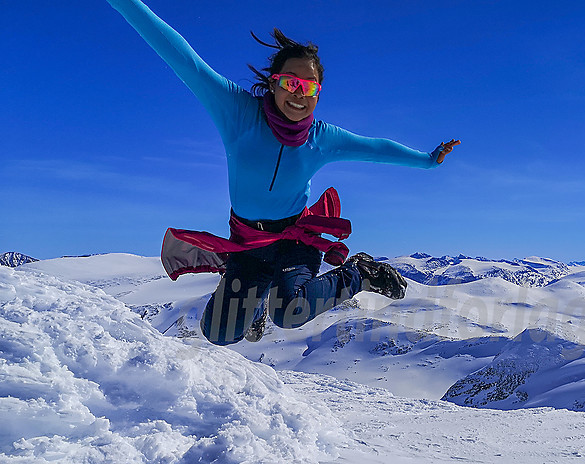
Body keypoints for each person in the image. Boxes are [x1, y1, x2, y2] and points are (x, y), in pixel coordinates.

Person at [107, 0, 459, 345]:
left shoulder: (321, 139)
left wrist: (427, 160)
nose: (299, 94)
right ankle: (253, 304)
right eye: (291, 83)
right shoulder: (238, 113)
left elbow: (376, 149)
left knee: (290, 310)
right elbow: (181, 57)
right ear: (273, 83)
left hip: (293, 242)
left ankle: (360, 274)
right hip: (246, 244)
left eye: (309, 88)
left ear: (318, 95)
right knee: (218, 333)